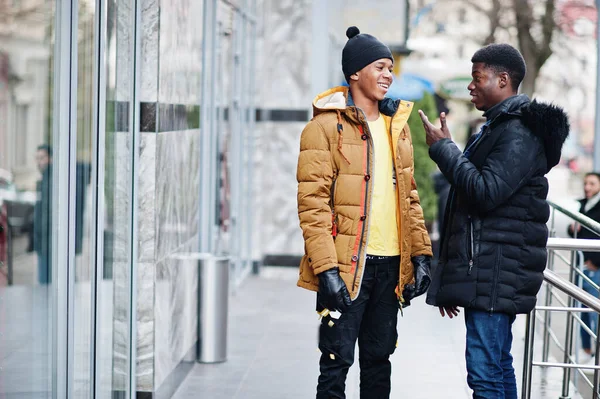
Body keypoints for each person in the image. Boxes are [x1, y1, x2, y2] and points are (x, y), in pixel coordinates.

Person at [420, 43, 569, 398]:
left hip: (495, 272)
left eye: (477, 78)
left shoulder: (518, 132)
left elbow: (486, 192)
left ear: (503, 80)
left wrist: (444, 149)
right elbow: (466, 206)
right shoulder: (498, 127)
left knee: (486, 373)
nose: (471, 86)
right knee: (497, 368)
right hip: (489, 272)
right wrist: (452, 282)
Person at [296, 26, 433, 398]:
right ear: (355, 72)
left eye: (391, 68)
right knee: (336, 361)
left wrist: (420, 255)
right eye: (380, 66)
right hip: (346, 267)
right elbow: (313, 205)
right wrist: (326, 270)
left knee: (379, 361)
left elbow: (411, 198)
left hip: (390, 268)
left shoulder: (397, 128)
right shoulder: (324, 127)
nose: (389, 75)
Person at [568, 172, 600, 362]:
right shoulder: (584, 205)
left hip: (595, 267)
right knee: (583, 309)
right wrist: (572, 229)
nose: (587, 187)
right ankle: (587, 351)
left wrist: (595, 262)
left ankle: (593, 355)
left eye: (592, 183)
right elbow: (581, 232)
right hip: (585, 266)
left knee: (593, 312)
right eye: (585, 183)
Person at [34, 144, 53, 284]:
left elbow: (47, 215)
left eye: (42, 158)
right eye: (37, 158)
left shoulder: (50, 181)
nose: (39, 162)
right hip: (43, 244)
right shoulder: (43, 181)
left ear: (50, 159)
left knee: (45, 286)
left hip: (48, 244)